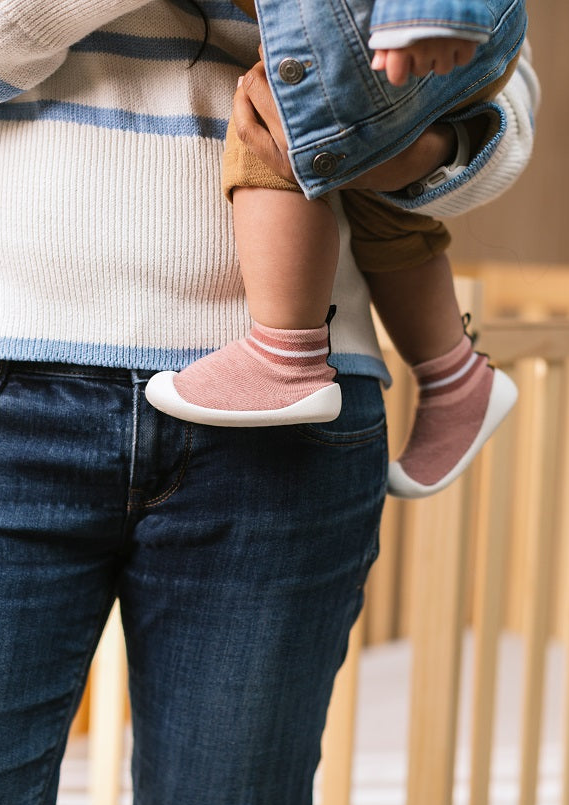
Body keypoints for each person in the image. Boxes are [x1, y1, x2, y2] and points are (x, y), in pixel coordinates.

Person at [0, 0, 538, 805]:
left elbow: (496, 81)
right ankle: (445, 372)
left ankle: (429, 368)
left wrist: (391, 143)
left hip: (292, 424)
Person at [145, 0, 526, 498]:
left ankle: (286, 360)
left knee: (272, 129)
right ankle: (454, 376)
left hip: (401, 25)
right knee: (369, 190)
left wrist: (435, 10)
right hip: (426, 33)